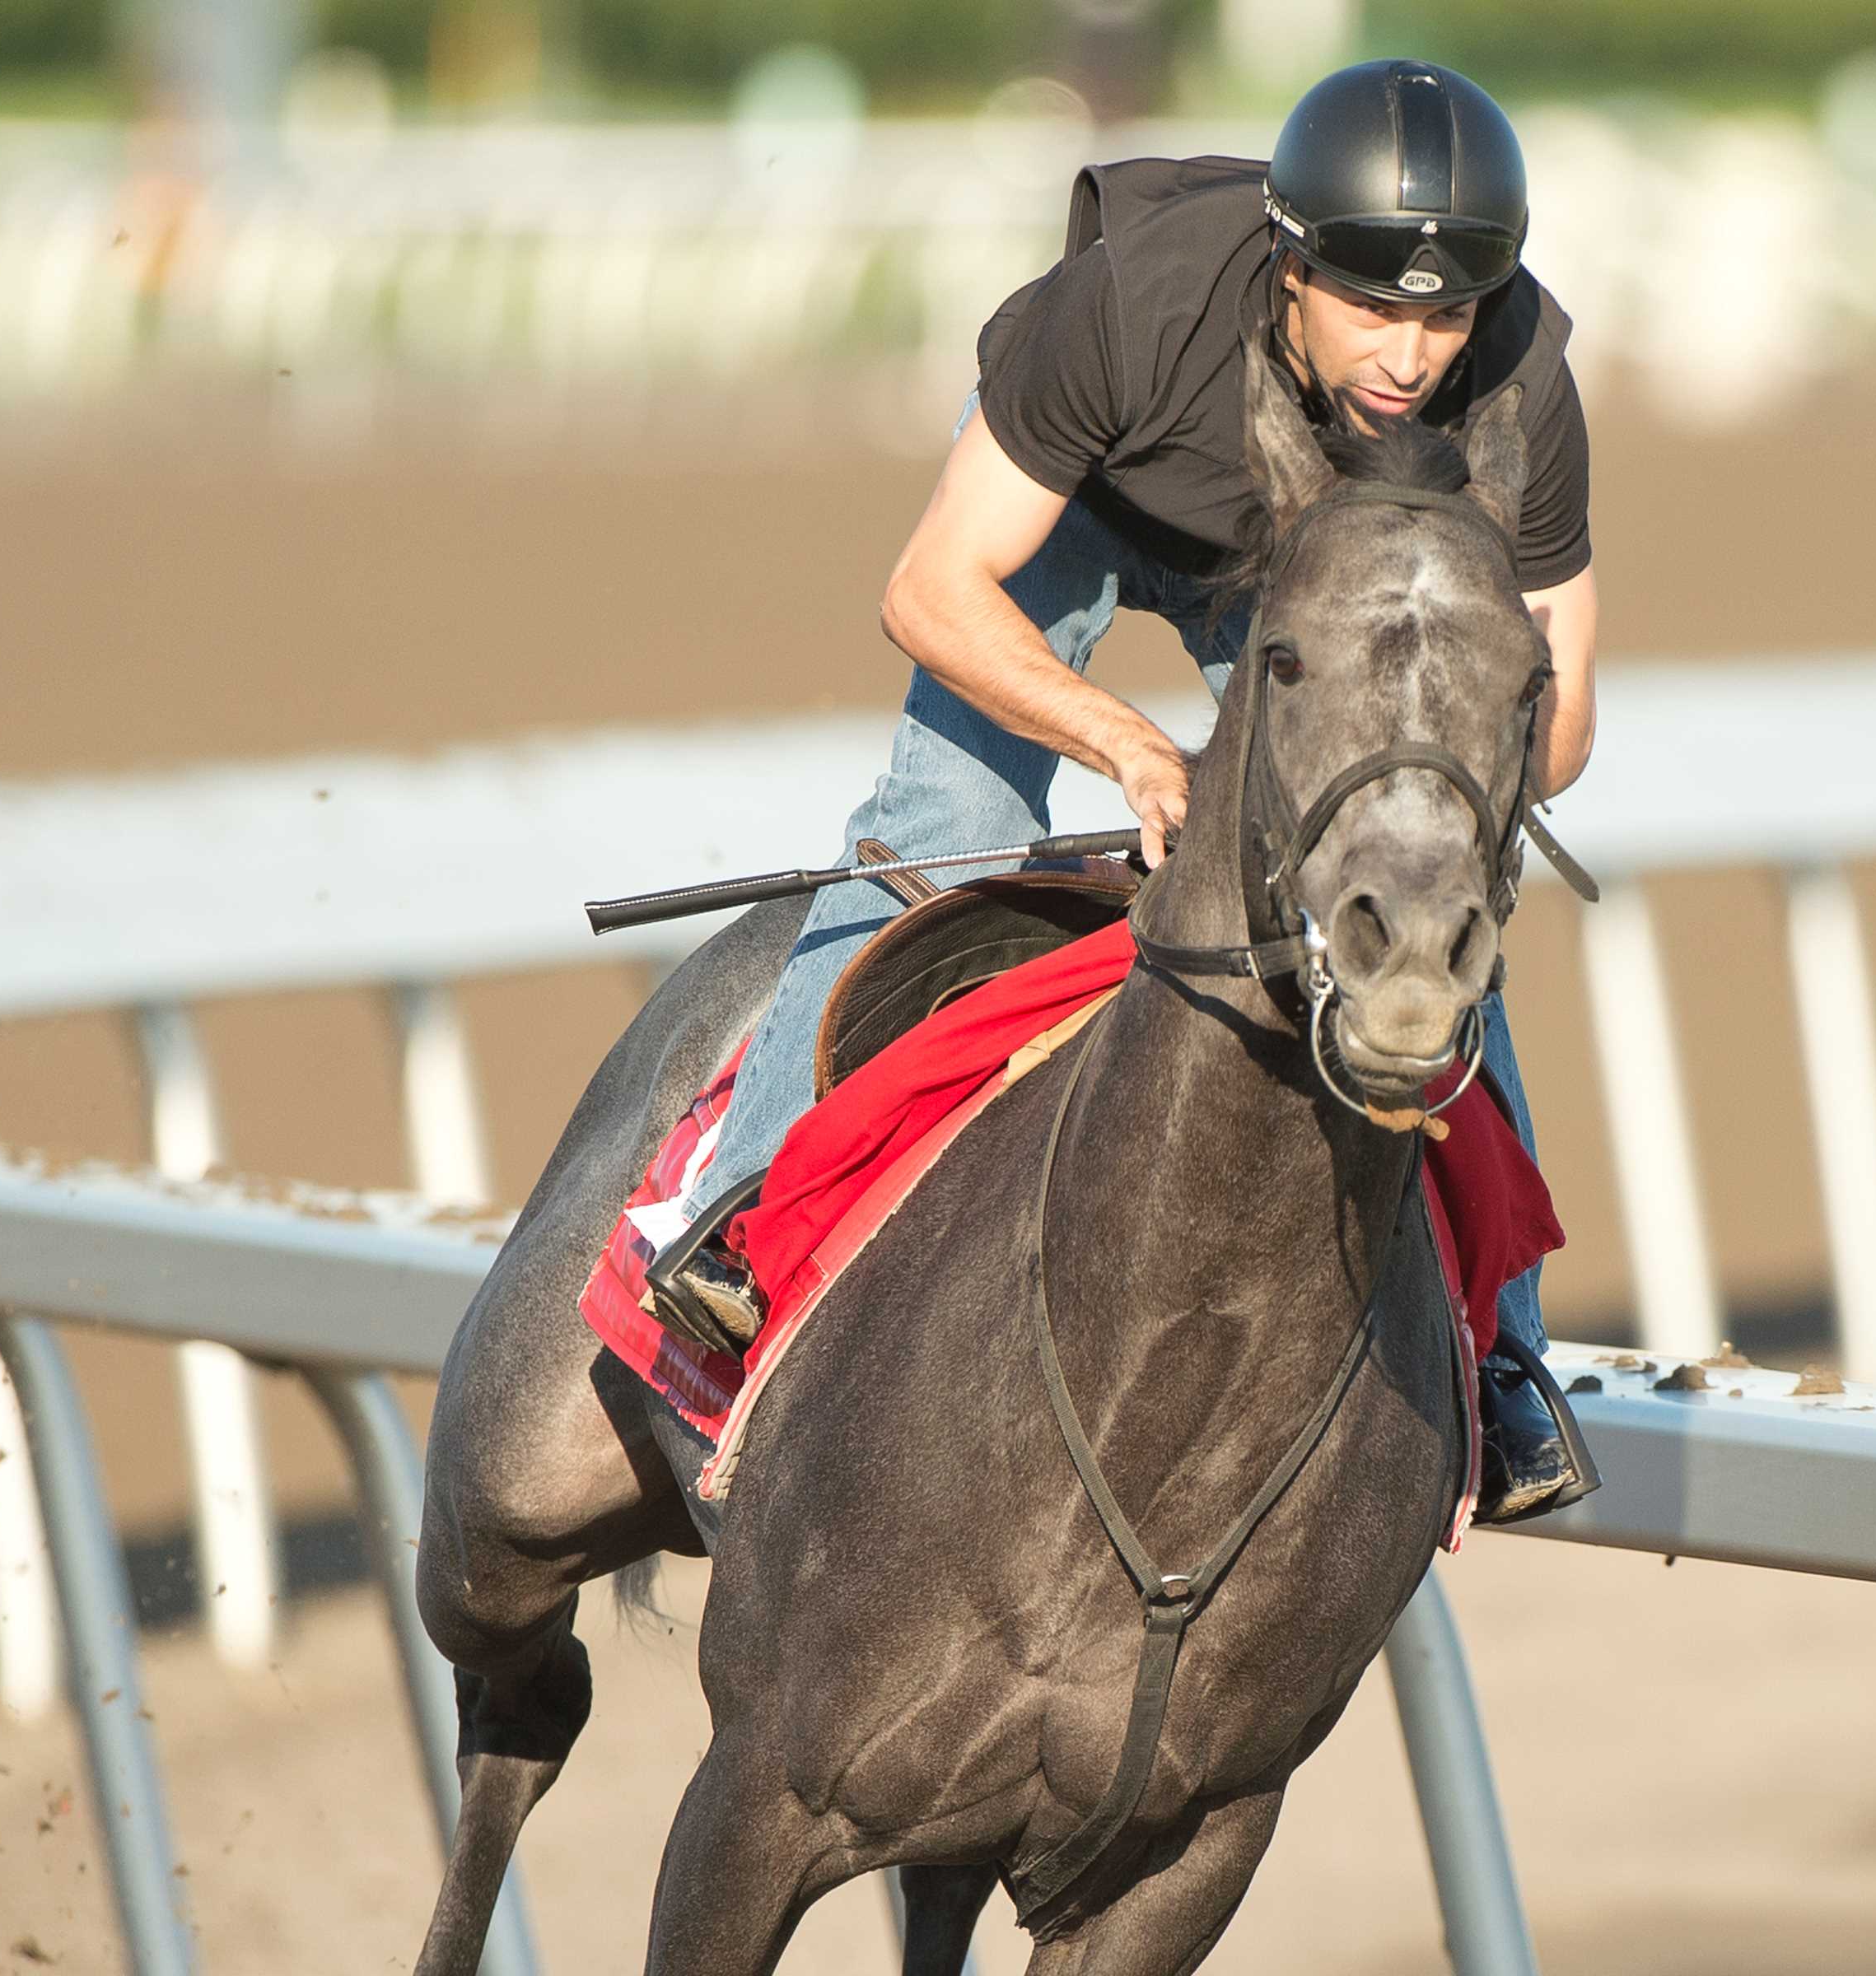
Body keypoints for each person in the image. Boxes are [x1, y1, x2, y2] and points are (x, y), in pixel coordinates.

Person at [654, 58, 1600, 1522]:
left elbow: (1568, 720)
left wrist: (1435, 786)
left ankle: (1506, 1360)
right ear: (1290, 271)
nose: (1412, 359)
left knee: (1423, 883)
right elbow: (929, 589)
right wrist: (1136, 750)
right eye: (1372, 307)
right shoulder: (1130, 304)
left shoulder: (1522, 374)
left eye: (1445, 314)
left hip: (1323, 553)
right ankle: (751, 1216)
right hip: (1080, 510)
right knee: (949, 831)